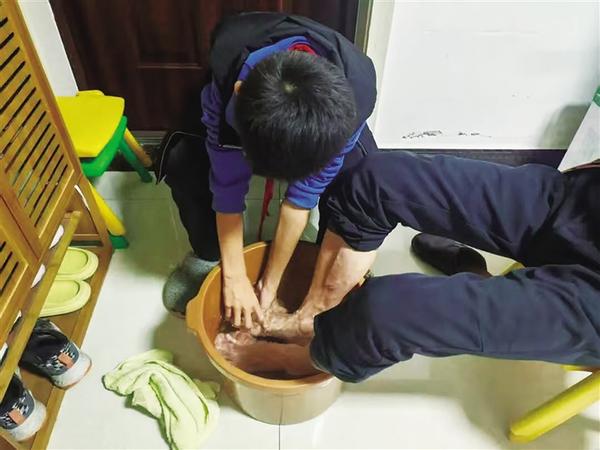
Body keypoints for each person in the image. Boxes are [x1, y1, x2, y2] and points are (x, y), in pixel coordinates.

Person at [217, 151, 600, 383]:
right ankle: (312, 317)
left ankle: (302, 359)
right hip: (585, 204)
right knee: (376, 179)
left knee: (381, 311)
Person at [161, 12, 377, 325]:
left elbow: (301, 199)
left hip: (325, 116)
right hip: (247, 98)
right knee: (183, 160)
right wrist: (234, 277)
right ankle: (208, 256)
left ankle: (327, 258)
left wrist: (269, 285)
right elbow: (227, 187)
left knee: (362, 176)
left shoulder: (355, 100)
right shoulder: (227, 86)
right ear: (239, 92)